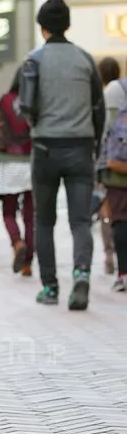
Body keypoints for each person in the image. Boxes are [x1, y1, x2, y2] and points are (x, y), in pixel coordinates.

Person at [19, 0, 105, 311]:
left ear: (42, 27)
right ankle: (81, 273)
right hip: (81, 146)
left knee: (44, 221)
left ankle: (50, 287)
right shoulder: (85, 60)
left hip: (46, 148)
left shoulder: (34, 60)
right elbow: (98, 109)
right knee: (80, 220)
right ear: (68, 25)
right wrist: (94, 146)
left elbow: (26, 105)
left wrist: (37, 124)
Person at [0, 68, 33, 275]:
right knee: (30, 215)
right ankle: (27, 264)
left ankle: (17, 243)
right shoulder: (34, 99)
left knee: (9, 211)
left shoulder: (5, 100)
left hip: (9, 161)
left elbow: (2, 128)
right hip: (32, 160)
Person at [97, 58, 127, 291]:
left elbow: (103, 131)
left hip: (118, 166)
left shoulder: (114, 90)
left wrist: (99, 169)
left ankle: (123, 273)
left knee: (119, 219)